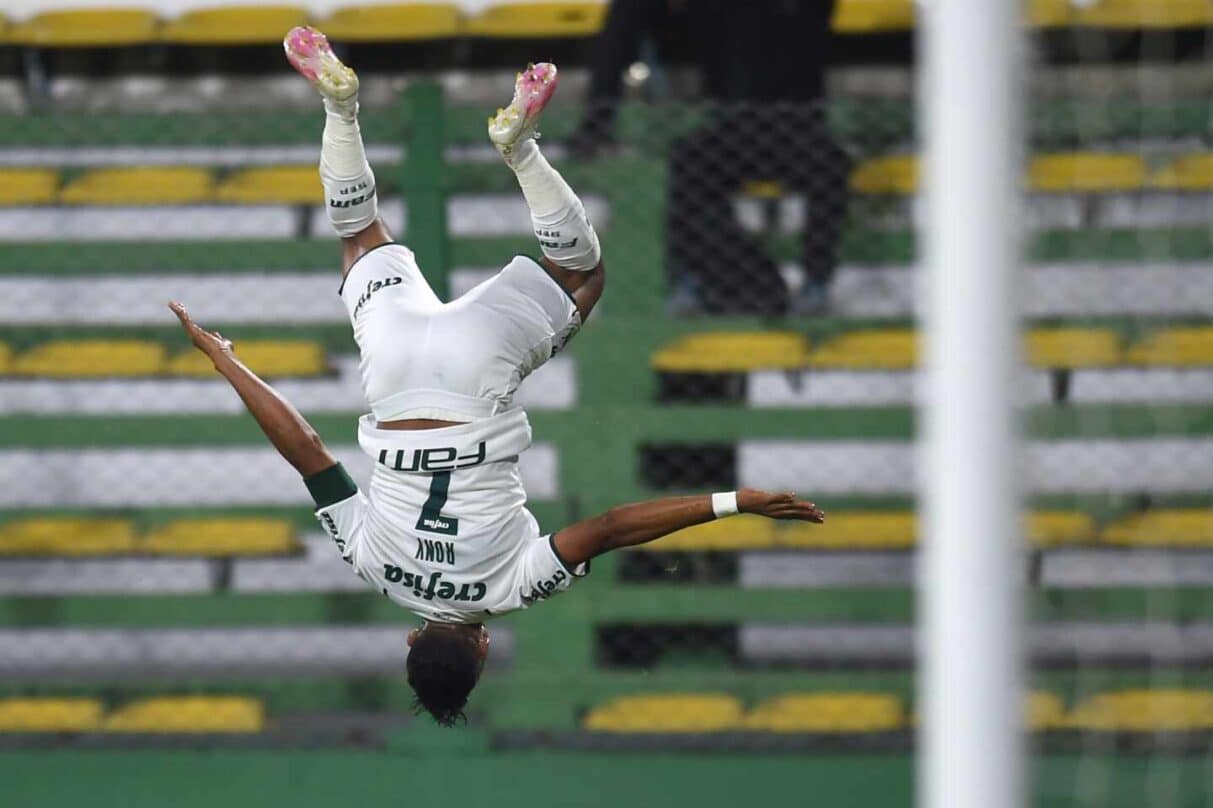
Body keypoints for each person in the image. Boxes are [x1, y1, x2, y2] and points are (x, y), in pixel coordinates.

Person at [169, 27, 825, 728]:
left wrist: (736, 502)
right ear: (411, 638)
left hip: (475, 375)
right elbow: (306, 453)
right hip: (393, 376)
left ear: (482, 650)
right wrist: (228, 363)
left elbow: (606, 528)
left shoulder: (512, 589)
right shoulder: (371, 567)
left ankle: (519, 147)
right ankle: (340, 109)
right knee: (360, 236)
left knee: (580, 276)